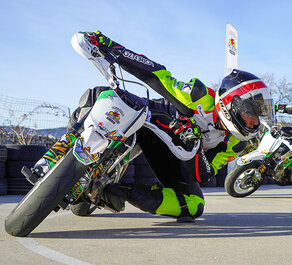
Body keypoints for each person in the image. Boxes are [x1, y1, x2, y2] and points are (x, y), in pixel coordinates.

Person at [33, 31, 272, 222]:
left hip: (176, 155)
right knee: (100, 94)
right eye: (252, 113)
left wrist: (195, 144)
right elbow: (156, 75)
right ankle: (58, 153)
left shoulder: (236, 142)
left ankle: (118, 191)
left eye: (257, 116)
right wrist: (111, 47)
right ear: (233, 103)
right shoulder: (199, 97)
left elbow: (204, 173)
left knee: (194, 205)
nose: (254, 121)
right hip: (147, 120)